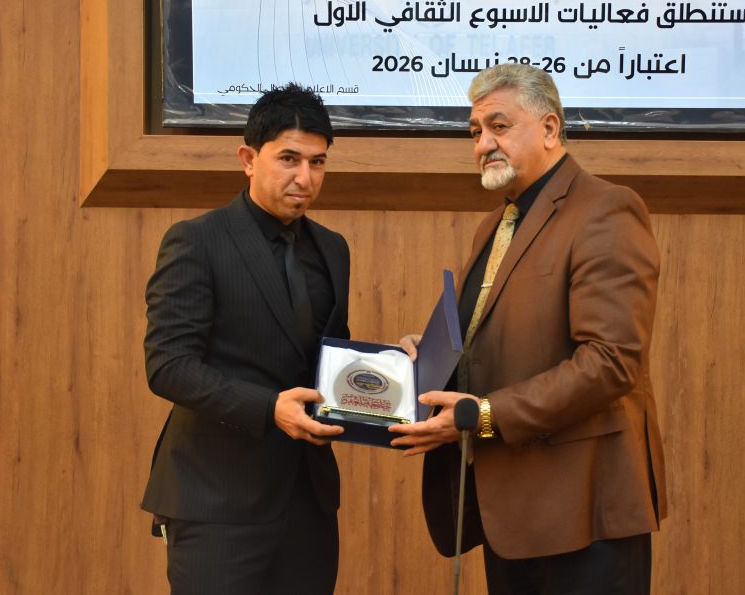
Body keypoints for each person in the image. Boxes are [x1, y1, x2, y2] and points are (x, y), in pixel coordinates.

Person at [389, 64, 667, 595]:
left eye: (499, 126)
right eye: (475, 132)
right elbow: (497, 340)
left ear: (549, 128)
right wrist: (433, 359)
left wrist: (482, 416)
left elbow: (611, 362)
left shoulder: (606, 209)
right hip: (512, 511)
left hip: (583, 511)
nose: (483, 144)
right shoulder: (495, 225)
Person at [141, 83, 348, 594]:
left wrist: (396, 366)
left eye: (318, 163)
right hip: (215, 501)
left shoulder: (333, 249)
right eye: (289, 159)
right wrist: (269, 408)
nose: (305, 178)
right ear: (248, 159)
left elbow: (328, 359)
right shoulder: (197, 240)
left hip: (308, 503)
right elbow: (168, 365)